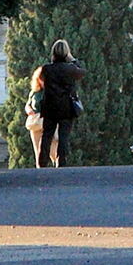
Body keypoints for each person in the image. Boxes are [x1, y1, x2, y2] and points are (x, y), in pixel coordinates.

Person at [34, 39, 85, 168]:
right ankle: (61, 162)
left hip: (50, 106)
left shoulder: (46, 69)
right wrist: (72, 59)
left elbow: (40, 82)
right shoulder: (71, 69)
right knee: (63, 137)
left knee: (47, 136)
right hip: (66, 107)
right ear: (66, 53)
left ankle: (42, 163)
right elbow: (82, 72)